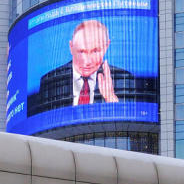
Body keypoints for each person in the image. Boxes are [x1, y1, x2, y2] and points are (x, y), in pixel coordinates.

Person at [27, 19, 158, 115]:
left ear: (107, 46)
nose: (87, 61)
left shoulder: (124, 78)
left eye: (95, 51)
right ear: (71, 47)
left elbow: (131, 124)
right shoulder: (50, 81)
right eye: (82, 52)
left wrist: (111, 98)